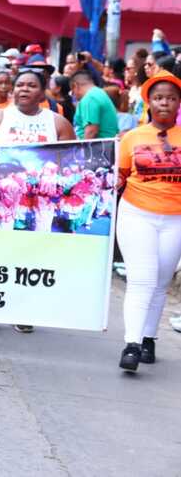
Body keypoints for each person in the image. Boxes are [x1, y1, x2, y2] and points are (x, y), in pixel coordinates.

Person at [0, 70, 76, 332]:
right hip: (4, 204)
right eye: (19, 85)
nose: (24, 89)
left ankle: (25, 310)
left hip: (39, 205)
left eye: (31, 85)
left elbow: (69, 162)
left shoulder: (58, 124)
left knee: (32, 256)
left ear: (42, 92)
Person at [116, 70, 181, 372]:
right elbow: (120, 174)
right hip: (137, 214)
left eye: (171, 98)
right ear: (149, 102)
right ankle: (131, 344)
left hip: (175, 219)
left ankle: (148, 338)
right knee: (142, 279)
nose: (164, 103)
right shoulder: (132, 137)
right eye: (158, 98)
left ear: (178, 103)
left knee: (161, 282)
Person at [71, 69, 119, 139]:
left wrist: (84, 145)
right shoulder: (99, 92)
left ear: (75, 86)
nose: (73, 95)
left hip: (99, 144)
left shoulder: (89, 98)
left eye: (72, 91)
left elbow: (91, 131)